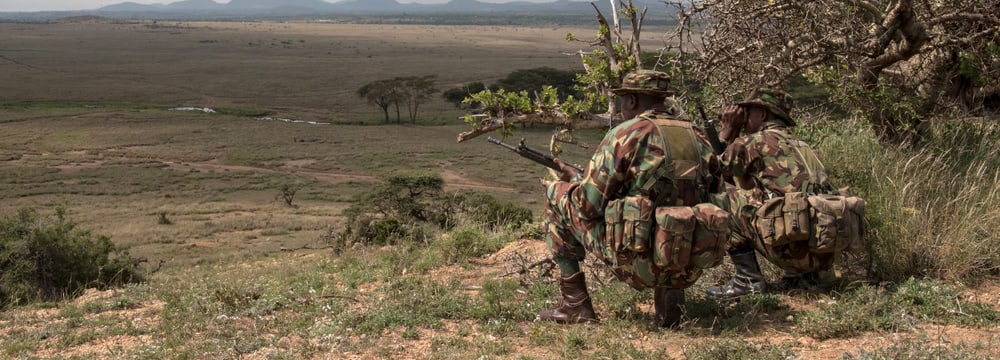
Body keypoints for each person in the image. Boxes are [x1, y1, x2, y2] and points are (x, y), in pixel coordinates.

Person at [538, 70, 727, 327]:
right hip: (689, 263)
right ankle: (671, 304)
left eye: (622, 100)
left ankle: (575, 305)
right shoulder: (698, 137)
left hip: (636, 262)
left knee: (556, 194)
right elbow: (718, 198)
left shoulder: (626, 134)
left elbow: (587, 205)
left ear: (633, 101)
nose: (620, 107)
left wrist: (573, 182)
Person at [706, 88, 837, 300]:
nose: (744, 117)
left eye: (748, 112)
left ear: (763, 114)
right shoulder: (802, 145)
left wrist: (727, 131)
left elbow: (711, 171)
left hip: (791, 250)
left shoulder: (752, 143)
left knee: (721, 196)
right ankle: (802, 277)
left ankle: (747, 281)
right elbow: (747, 183)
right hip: (822, 251)